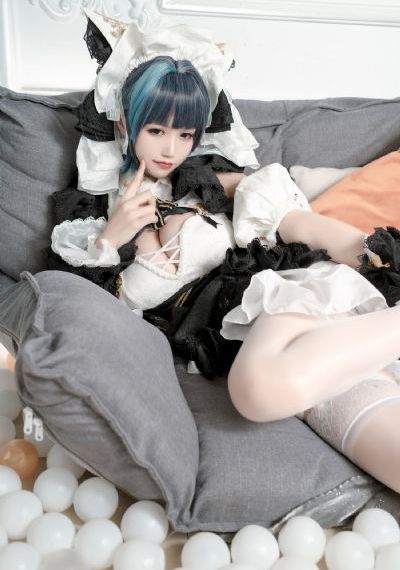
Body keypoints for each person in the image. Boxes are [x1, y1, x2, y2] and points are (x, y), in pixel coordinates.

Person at [48, 13, 400, 497]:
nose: (172, 149)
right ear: (125, 122)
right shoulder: (90, 224)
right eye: (157, 130)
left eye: (185, 134)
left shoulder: (211, 180)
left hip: (284, 304)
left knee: (255, 391)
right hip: (284, 353)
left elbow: (295, 222)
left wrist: (372, 252)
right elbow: (86, 316)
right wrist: (111, 239)